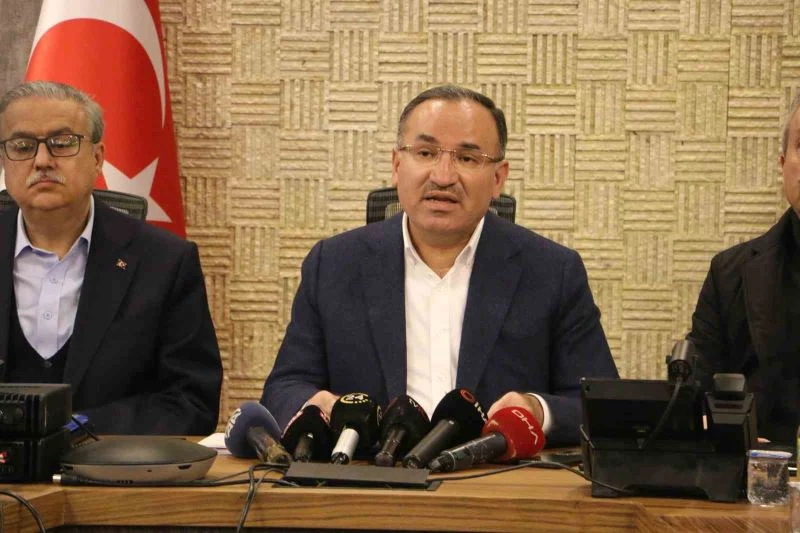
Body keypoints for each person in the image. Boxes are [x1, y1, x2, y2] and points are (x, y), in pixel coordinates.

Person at [261, 85, 618, 446]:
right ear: (397, 166)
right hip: (369, 473)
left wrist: (536, 410)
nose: (443, 176)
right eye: (426, 153)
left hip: (493, 474)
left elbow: (601, 406)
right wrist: (317, 405)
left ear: (498, 178)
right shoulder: (334, 265)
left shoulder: (552, 271)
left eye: (468, 158)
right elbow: (284, 387)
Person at [0, 81, 222, 435]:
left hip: (108, 465)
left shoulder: (163, 261)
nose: (41, 161)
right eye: (22, 147)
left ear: (97, 157)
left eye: (62, 143)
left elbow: (191, 402)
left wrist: (79, 429)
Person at [688, 91, 800, 444]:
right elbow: (694, 398)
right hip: (758, 471)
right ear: (783, 163)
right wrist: (724, 439)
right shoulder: (730, 274)